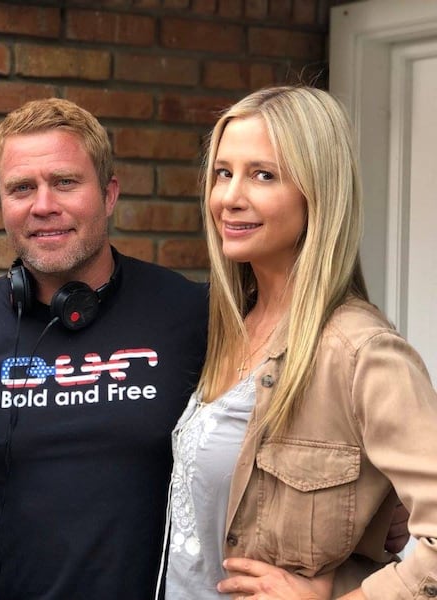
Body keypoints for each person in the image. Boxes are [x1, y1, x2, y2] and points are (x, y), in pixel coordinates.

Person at [0, 98, 209, 599]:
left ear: (109, 193)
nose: (43, 205)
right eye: (21, 188)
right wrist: (10, 489)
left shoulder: (192, 313)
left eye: (65, 182)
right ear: (1, 203)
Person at [159, 85, 437, 599]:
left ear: (318, 191)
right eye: (224, 173)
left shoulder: (361, 351)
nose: (230, 197)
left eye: (263, 175)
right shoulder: (227, 327)